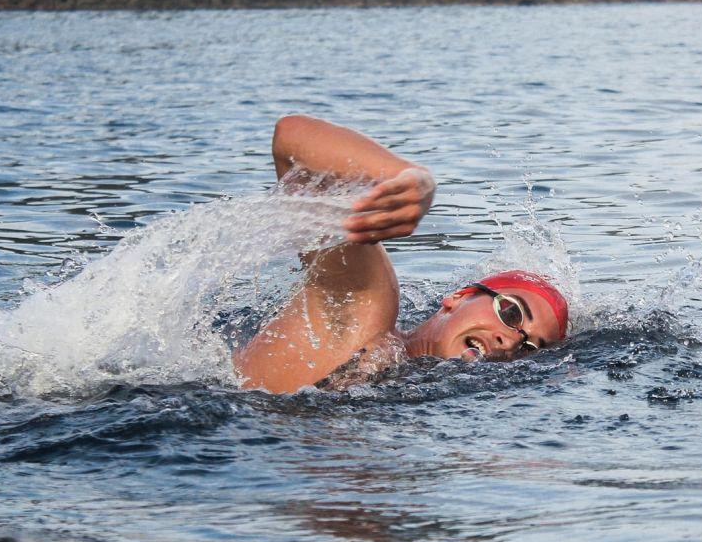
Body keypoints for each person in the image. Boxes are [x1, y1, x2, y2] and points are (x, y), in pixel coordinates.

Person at [234, 115, 570, 394]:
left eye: (530, 347)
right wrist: (410, 177)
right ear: (459, 296)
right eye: (510, 313)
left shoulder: (411, 384)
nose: (510, 340)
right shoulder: (365, 312)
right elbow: (290, 138)